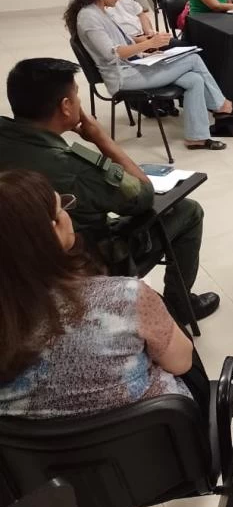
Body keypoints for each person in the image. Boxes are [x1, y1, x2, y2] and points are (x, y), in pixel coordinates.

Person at [0, 59, 219, 323]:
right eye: (76, 96)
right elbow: (142, 196)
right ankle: (179, 306)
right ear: (66, 107)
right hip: (81, 265)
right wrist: (101, 138)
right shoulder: (72, 167)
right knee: (188, 210)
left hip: (15, 263)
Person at [0, 170, 203, 418]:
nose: (67, 213)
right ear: (51, 231)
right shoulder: (125, 297)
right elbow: (181, 363)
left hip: (37, 457)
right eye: (61, 208)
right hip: (161, 449)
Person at [66, 0, 233, 151]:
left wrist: (149, 46)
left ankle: (197, 138)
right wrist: (149, 44)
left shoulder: (98, 11)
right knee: (193, 59)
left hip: (133, 66)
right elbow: (111, 52)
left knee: (194, 79)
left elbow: (122, 42)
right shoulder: (88, 17)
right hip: (123, 77)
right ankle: (222, 105)